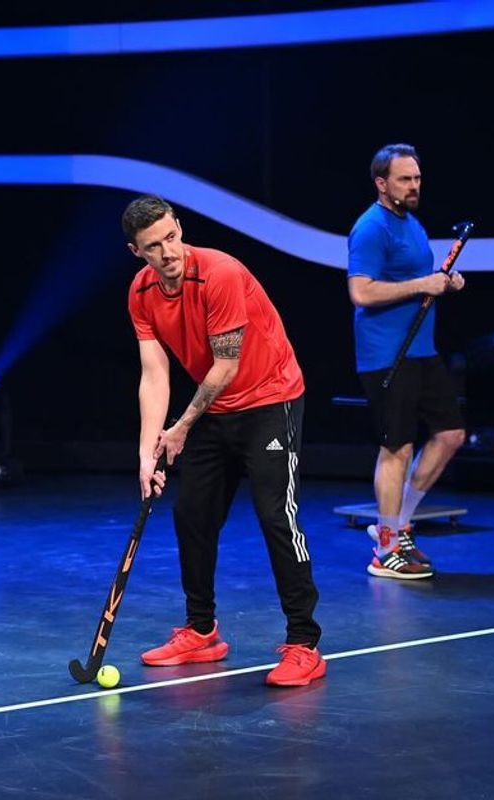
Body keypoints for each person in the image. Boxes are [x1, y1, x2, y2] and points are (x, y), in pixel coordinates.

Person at [123, 194, 324, 687]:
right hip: (216, 408)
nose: (169, 251)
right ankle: (201, 631)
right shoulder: (141, 292)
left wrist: (182, 427)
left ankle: (304, 643)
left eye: (172, 237)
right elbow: (154, 373)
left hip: (270, 399)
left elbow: (225, 365)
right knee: (192, 513)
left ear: (179, 228)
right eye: (154, 246)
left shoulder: (221, 273)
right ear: (137, 252)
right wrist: (148, 449)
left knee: (277, 516)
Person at [347, 144, 467, 580]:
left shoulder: (410, 222)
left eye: (417, 178)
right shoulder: (371, 228)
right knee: (397, 447)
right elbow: (361, 291)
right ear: (382, 183)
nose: (414, 186)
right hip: (386, 356)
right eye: (404, 179)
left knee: (451, 434)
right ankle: (384, 550)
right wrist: (423, 284)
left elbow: (417, 280)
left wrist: (444, 283)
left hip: (421, 351)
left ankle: (398, 526)